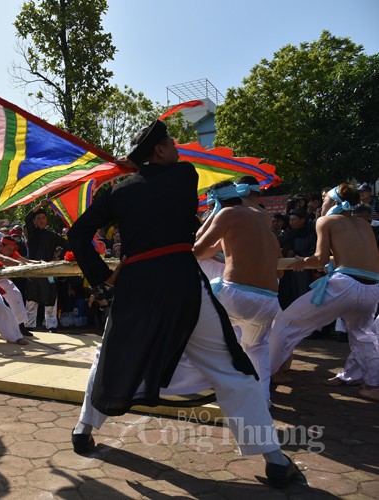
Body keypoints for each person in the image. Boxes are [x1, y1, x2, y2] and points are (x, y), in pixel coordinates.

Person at [68, 120, 298, 488]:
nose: (177, 147)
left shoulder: (115, 193)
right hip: (178, 279)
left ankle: (83, 430)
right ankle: (274, 459)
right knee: (229, 366)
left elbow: (77, 233)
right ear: (159, 151)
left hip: (136, 284)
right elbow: (160, 187)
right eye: (171, 142)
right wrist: (135, 173)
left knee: (110, 356)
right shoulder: (184, 175)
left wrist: (102, 275)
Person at [269, 184, 379, 401]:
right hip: (373, 287)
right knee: (362, 335)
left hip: (346, 285)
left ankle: (264, 373)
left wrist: (303, 261)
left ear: (335, 202)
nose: (321, 203)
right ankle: (367, 382)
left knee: (285, 322)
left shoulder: (325, 220)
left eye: (324, 198)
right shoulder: (363, 223)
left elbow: (319, 259)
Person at [194, 181, 282, 404]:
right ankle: (263, 399)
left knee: (192, 326)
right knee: (256, 347)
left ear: (216, 203)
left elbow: (197, 249)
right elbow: (279, 271)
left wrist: (212, 218)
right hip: (269, 301)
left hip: (236, 295)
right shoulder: (265, 229)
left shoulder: (228, 214)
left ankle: (197, 386)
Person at [24, 201, 66, 332]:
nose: (41, 220)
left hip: (49, 270)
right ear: (35, 222)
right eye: (38, 218)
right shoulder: (32, 233)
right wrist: (40, 206)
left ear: (46, 219)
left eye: (43, 218)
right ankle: (29, 326)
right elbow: (27, 217)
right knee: (31, 299)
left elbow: (67, 245)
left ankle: (51, 325)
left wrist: (58, 256)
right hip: (33, 270)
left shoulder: (52, 235)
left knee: (50, 298)